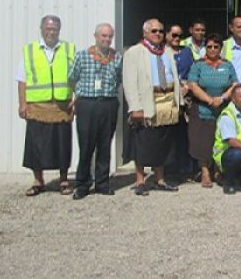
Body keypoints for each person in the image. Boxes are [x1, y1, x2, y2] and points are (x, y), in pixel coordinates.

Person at [16, 15, 75, 196]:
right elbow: (22, 79)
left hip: (61, 106)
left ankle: (63, 180)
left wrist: (77, 98)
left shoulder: (68, 49)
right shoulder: (30, 51)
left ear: (59, 30)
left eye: (55, 29)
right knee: (36, 144)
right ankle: (38, 180)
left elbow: (76, 76)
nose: (51, 32)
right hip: (38, 107)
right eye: (48, 28)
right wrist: (22, 103)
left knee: (62, 144)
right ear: (41, 29)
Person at [123, 18, 181, 196]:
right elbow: (129, 82)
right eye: (154, 31)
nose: (158, 34)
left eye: (161, 31)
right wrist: (135, 107)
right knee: (143, 142)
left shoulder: (167, 52)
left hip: (166, 101)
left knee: (162, 142)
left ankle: (160, 179)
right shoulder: (135, 52)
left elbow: (174, 77)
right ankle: (140, 181)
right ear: (145, 33)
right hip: (147, 102)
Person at [69, 23, 122, 199]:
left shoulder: (117, 57)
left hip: (108, 103)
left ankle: (102, 183)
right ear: (96, 36)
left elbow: (119, 80)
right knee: (86, 145)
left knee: (105, 144)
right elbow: (72, 77)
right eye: (103, 36)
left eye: (109, 36)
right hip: (88, 103)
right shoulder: (82, 56)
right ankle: (83, 184)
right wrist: (77, 98)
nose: (107, 40)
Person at [187, 33, 237, 188]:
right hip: (203, 108)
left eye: (216, 46)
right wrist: (209, 100)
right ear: (205, 48)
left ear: (220, 48)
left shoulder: (227, 65)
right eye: (209, 46)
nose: (213, 49)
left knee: (220, 141)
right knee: (203, 141)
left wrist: (222, 98)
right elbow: (192, 85)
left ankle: (217, 171)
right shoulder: (198, 65)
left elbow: (234, 84)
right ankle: (205, 172)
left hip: (222, 108)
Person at [163, 24, 196, 178]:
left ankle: (186, 167)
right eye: (174, 35)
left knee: (185, 133)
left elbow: (193, 71)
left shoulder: (187, 51)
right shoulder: (161, 52)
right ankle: (169, 169)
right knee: (168, 133)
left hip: (186, 95)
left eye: (180, 36)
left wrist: (188, 86)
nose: (177, 39)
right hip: (168, 95)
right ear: (167, 35)